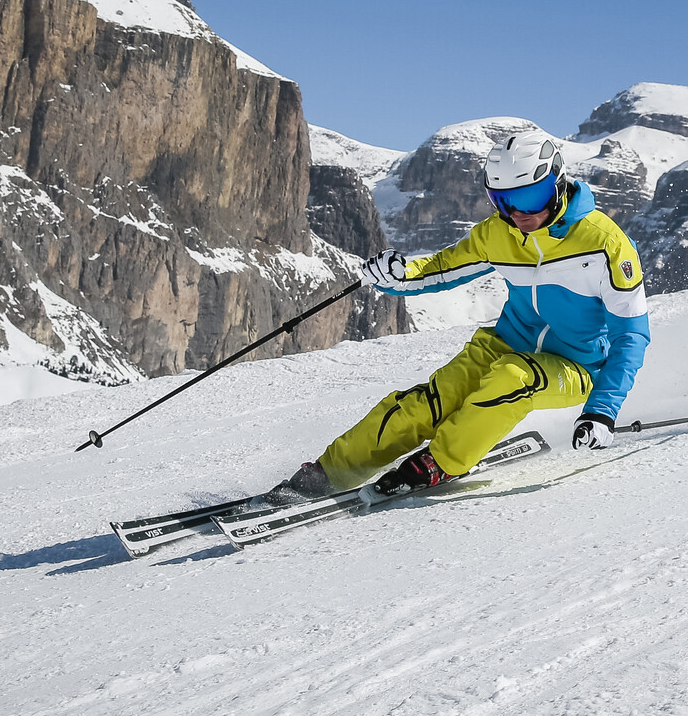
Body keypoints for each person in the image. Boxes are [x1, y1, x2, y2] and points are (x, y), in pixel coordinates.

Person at [267, 133, 651, 502]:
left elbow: (631, 335)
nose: (519, 214)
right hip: (504, 344)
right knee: (423, 404)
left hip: (578, 366)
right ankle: (328, 473)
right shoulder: (497, 233)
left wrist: (601, 411)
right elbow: (441, 269)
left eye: (530, 197)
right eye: (504, 202)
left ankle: (441, 463)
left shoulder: (605, 244)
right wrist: (397, 277)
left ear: (557, 183)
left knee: (513, 379)